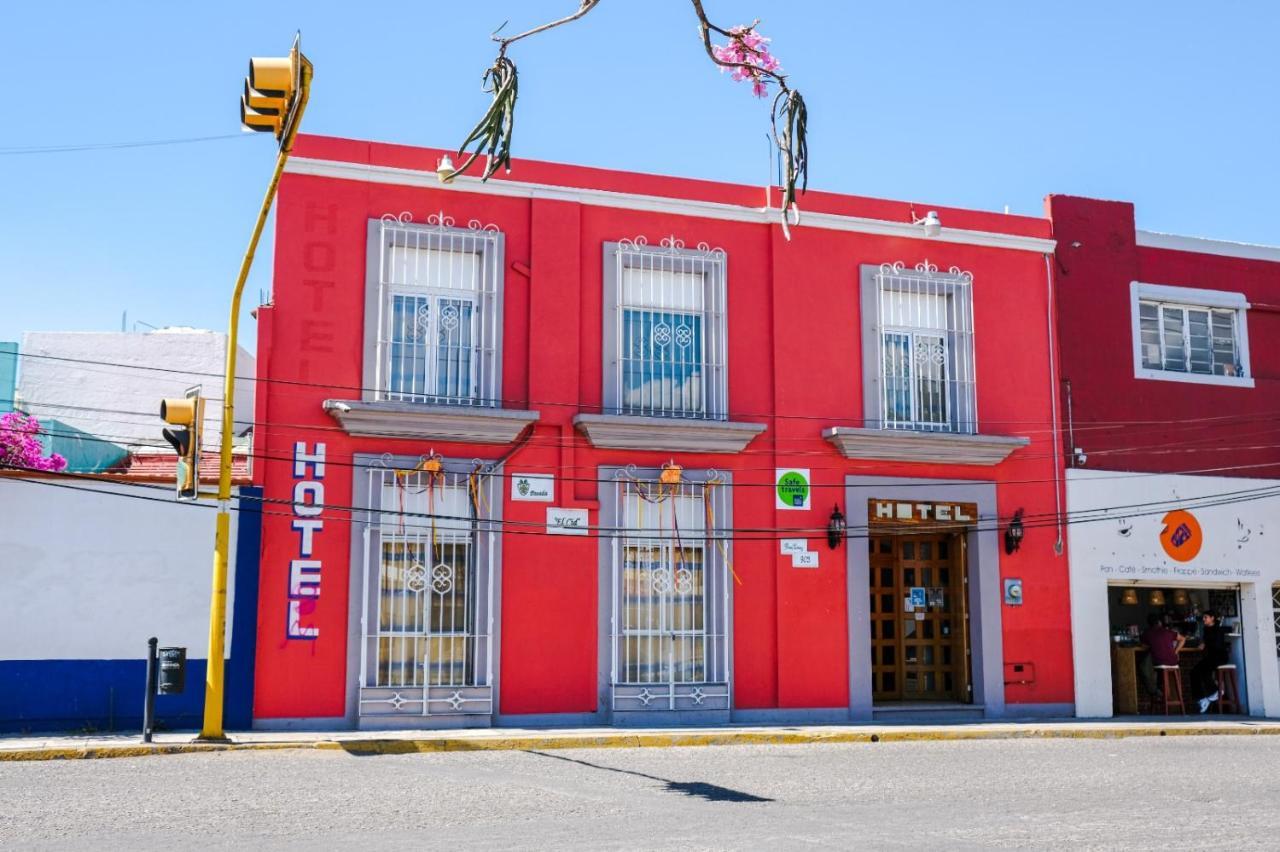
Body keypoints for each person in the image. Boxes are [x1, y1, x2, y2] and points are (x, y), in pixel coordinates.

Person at [1192, 609, 1231, 713]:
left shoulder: (1218, 629)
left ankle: (1215, 692)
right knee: (1194, 671)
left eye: (1206, 617)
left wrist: (1204, 645)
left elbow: (1216, 645)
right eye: (1203, 617)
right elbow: (1207, 641)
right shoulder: (1206, 629)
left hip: (1219, 657)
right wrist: (1203, 644)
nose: (1204, 619)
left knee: (1203, 671)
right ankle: (1201, 698)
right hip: (1211, 657)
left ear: (1212, 618)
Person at [1139, 613, 1184, 700]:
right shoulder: (1168, 631)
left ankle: (1156, 691)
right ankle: (1159, 691)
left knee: (1144, 666)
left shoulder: (1147, 633)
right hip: (1173, 662)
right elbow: (1183, 639)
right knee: (1154, 668)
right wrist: (1175, 652)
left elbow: (1144, 646)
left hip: (1159, 662)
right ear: (1159, 622)